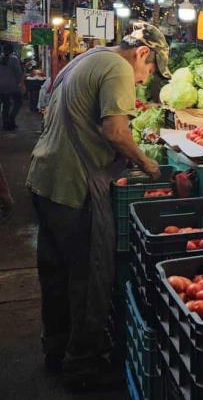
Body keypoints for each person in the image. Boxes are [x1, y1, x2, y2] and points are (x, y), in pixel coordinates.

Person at [26, 22, 171, 391]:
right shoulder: (119, 68)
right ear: (142, 54)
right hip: (74, 186)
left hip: (44, 178)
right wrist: (149, 164)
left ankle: (55, 350)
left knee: (54, 273)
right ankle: (81, 368)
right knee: (90, 279)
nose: (144, 80)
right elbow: (115, 132)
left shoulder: (89, 57)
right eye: (150, 70)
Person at [0, 42, 23, 130]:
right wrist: (19, 83)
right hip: (12, 86)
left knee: (6, 105)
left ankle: (6, 124)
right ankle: (11, 118)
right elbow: (18, 73)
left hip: (1, 87)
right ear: (12, 51)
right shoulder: (14, 59)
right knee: (18, 102)